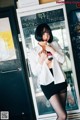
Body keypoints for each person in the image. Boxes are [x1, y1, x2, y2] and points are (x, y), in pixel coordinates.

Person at [28, 23, 67, 120]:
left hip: (60, 81)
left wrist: (52, 50)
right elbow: (35, 72)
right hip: (47, 84)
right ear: (39, 34)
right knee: (63, 116)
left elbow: (63, 60)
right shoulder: (33, 51)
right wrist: (41, 60)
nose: (47, 35)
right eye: (44, 33)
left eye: (48, 33)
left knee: (61, 114)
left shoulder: (54, 44)